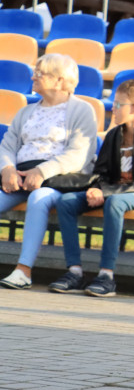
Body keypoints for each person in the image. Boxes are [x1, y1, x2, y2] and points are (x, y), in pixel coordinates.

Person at [49, 79, 134, 297]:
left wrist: (105, 193)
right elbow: (102, 173)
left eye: (118, 104)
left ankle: (106, 275)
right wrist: (96, 189)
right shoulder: (114, 135)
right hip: (112, 190)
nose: (112, 108)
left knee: (115, 203)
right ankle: (74, 272)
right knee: (66, 202)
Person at [0, 54, 97, 290]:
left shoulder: (83, 110)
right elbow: (8, 145)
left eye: (40, 73)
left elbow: (79, 154)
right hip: (20, 176)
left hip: (58, 180)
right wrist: (7, 169)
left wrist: (42, 171)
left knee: (39, 198)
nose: (33, 76)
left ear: (59, 80)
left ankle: (23, 271)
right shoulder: (26, 111)